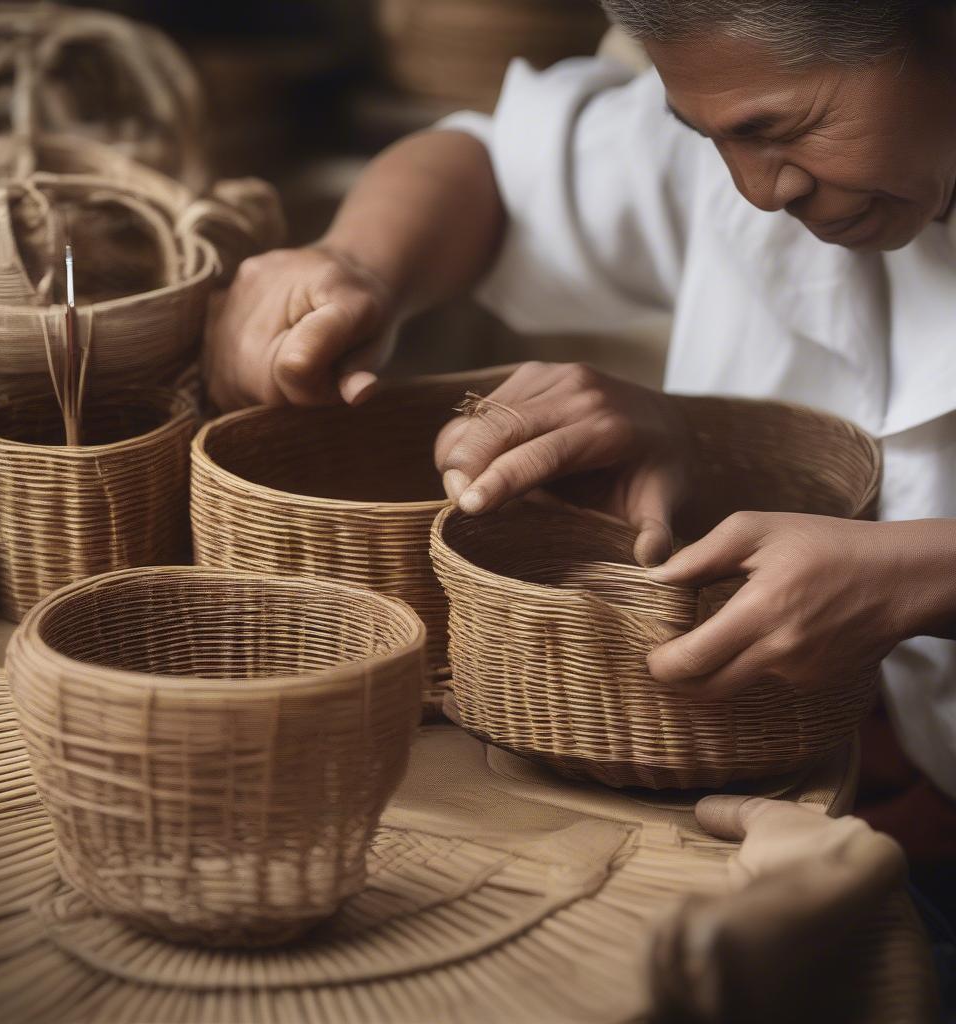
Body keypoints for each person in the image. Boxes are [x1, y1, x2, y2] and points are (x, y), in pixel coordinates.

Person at [205, 0, 956, 873]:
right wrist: (359, 264)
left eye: (780, 129)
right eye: (709, 137)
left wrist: (922, 578)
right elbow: (491, 167)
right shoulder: (744, 118)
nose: (757, 190)